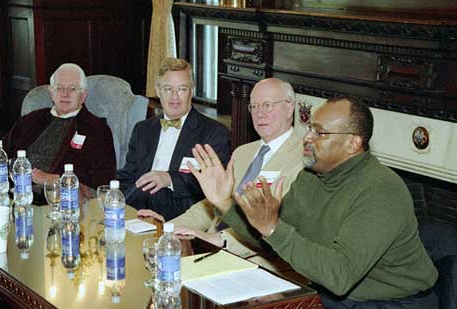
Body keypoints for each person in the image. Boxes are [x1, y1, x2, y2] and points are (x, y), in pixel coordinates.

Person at [189, 97, 439, 308]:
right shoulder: (311, 177)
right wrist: (225, 203)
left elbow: (339, 275)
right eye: (308, 129)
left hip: (392, 302)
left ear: (353, 143)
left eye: (319, 133)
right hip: (330, 293)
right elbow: (272, 240)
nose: (307, 139)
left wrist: (273, 228)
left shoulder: (380, 191)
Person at [138, 78, 303, 265]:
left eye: (268, 105)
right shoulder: (243, 152)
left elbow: (280, 225)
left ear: (289, 108)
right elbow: (211, 206)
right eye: (254, 107)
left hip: (258, 261)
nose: (259, 114)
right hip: (209, 249)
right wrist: (169, 227)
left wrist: (221, 240)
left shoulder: (303, 160)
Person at [118, 57, 230, 221]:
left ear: (191, 90)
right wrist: (112, 195)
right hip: (140, 207)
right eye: (168, 89)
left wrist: (169, 178)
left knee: (150, 192)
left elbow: (214, 184)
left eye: (182, 89)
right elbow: (128, 176)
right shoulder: (142, 129)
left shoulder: (213, 132)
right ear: (158, 90)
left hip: (183, 211)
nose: (174, 97)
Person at [3, 63, 116, 191]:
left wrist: (53, 179)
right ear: (51, 93)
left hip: (62, 198)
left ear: (83, 96)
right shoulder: (31, 120)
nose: (65, 94)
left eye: (72, 89)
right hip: (16, 191)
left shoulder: (96, 129)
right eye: (59, 88)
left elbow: (103, 178)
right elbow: (2, 155)